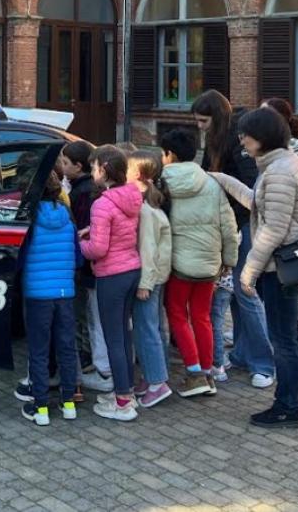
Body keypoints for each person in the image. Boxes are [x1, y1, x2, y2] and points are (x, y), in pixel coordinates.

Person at [208, 107, 298, 429]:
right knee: (291, 333)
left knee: (283, 339)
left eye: (245, 134)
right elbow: (258, 201)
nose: (241, 139)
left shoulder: (280, 172)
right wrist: (221, 179)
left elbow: (273, 228)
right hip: (284, 264)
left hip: (280, 267)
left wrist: (248, 273)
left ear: (262, 137)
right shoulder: (278, 165)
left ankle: (287, 407)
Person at [190, 90, 275, 390]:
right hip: (230, 227)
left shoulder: (237, 141)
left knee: (246, 291)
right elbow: (203, 175)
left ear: (217, 116)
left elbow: (252, 190)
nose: (200, 126)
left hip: (245, 226)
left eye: (203, 120)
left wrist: (232, 222)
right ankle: (241, 352)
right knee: (238, 296)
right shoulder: (215, 140)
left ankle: (264, 363)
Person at [159, 127, 240, 399]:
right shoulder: (210, 182)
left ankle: (194, 374)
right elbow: (229, 226)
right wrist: (229, 259)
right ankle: (208, 372)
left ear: (168, 154)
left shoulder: (161, 183)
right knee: (202, 316)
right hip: (209, 263)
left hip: (179, 263)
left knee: (178, 315)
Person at [79, 145, 143, 421]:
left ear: (103, 169)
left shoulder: (102, 203)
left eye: (93, 167)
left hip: (110, 275)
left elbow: (98, 249)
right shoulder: (131, 196)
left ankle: (121, 402)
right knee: (124, 335)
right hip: (131, 268)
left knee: (113, 337)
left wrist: (81, 243)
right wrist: (93, 231)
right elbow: (118, 232)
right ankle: (126, 391)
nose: (91, 171)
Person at [17, 172, 81, 426]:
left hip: (36, 295)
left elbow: (20, 259)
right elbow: (78, 258)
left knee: (39, 351)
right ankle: (68, 404)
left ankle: (41, 407)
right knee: (66, 348)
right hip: (65, 294)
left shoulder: (29, 220)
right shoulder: (68, 218)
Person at [59, 141, 111, 393]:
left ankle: (98, 365)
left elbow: (81, 230)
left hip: (90, 267)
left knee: (92, 317)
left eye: (65, 163)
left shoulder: (84, 194)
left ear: (78, 166)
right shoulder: (84, 189)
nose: (61, 166)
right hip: (93, 266)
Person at [127, 151, 173, 408]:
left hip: (150, 278)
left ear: (137, 175)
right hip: (156, 276)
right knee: (152, 328)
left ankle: (157, 381)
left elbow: (148, 249)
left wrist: (145, 283)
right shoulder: (150, 205)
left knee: (147, 330)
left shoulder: (145, 211)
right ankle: (151, 376)